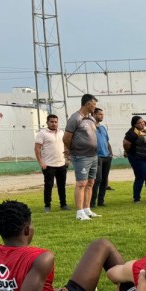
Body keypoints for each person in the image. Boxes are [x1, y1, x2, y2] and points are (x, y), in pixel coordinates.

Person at [64, 93, 101, 221]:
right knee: (81, 183)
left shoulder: (91, 119)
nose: (95, 107)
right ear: (87, 104)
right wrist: (71, 150)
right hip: (81, 156)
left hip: (93, 156)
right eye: (94, 104)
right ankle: (79, 213)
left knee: (90, 182)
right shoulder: (75, 118)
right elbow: (66, 138)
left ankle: (87, 209)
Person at [34, 115, 70, 212]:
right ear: (47, 122)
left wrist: (67, 160)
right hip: (49, 165)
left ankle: (63, 204)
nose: (54, 124)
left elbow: (66, 147)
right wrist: (41, 162)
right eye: (52, 122)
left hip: (61, 164)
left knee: (62, 186)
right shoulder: (42, 133)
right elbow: (37, 149)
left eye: (55, 122)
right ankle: (47, 206)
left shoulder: (61, 132)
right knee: (48, 186)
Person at [123, 116, 146, 203]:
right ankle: (137, 198)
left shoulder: (145, 131)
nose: (142, 124)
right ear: (134, 124)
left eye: (143, 122)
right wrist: (129, 152)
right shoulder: (132, 132)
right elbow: (126, 143)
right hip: (139, 159)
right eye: (140, 123)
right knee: (140, 177)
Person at [90, 108, 113, 208]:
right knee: (97, 179)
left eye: (102, 114)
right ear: (94, 114)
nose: (102, 116)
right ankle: (92, 202)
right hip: (97, 157)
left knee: (104, 179)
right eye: (100, 114)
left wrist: (110, 153)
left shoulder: (103, 127)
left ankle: (101, 201)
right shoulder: (90, 127)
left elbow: (107, 141)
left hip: (107, 157)